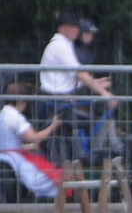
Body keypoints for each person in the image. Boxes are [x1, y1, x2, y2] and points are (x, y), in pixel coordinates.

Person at [39, 10, 116, 163]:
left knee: (91, 120)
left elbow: (72, 77)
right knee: (93, 120)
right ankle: (91, 155)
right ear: (62, 27)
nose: (77, 30)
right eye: (73, 27)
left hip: (61, 101)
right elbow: (79, 73)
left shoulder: (64, 45)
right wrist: (104, 93)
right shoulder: (60, 46)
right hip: (57, 103)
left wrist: (97, 83)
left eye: (77, 27)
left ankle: (87, 154)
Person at [0, 83, 62, 198]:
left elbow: (9, 142)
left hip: (7, 153)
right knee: (48, 175)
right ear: (22, 102)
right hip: (15, 157)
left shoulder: (1, 115)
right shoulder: (14, 116)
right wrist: (53, 126)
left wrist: (29, 146)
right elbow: (35, 137)